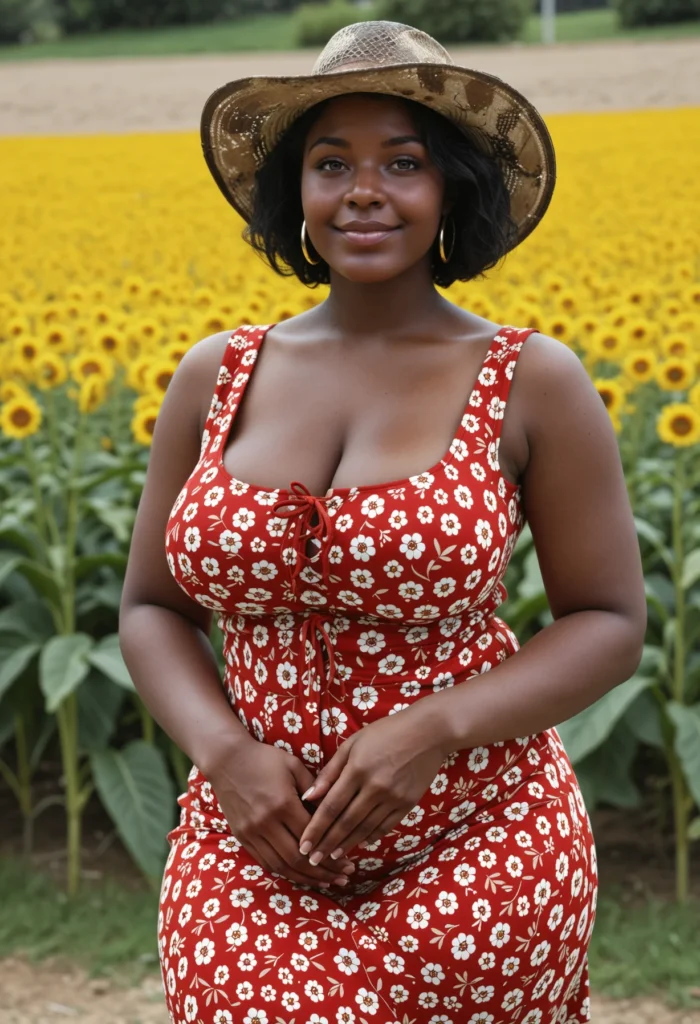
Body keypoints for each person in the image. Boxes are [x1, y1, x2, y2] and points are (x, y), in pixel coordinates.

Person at [119, 20, 647, 1024]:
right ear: (297, 193)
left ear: (450, 186)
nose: (364, 190)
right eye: (331, 163)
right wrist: (224, 755)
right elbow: (150, 605)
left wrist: (433, 728)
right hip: (252, 839)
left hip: (479, 838)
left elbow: (609, 622)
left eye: (402, 162)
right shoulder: (214, 377)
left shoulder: (531, 380)